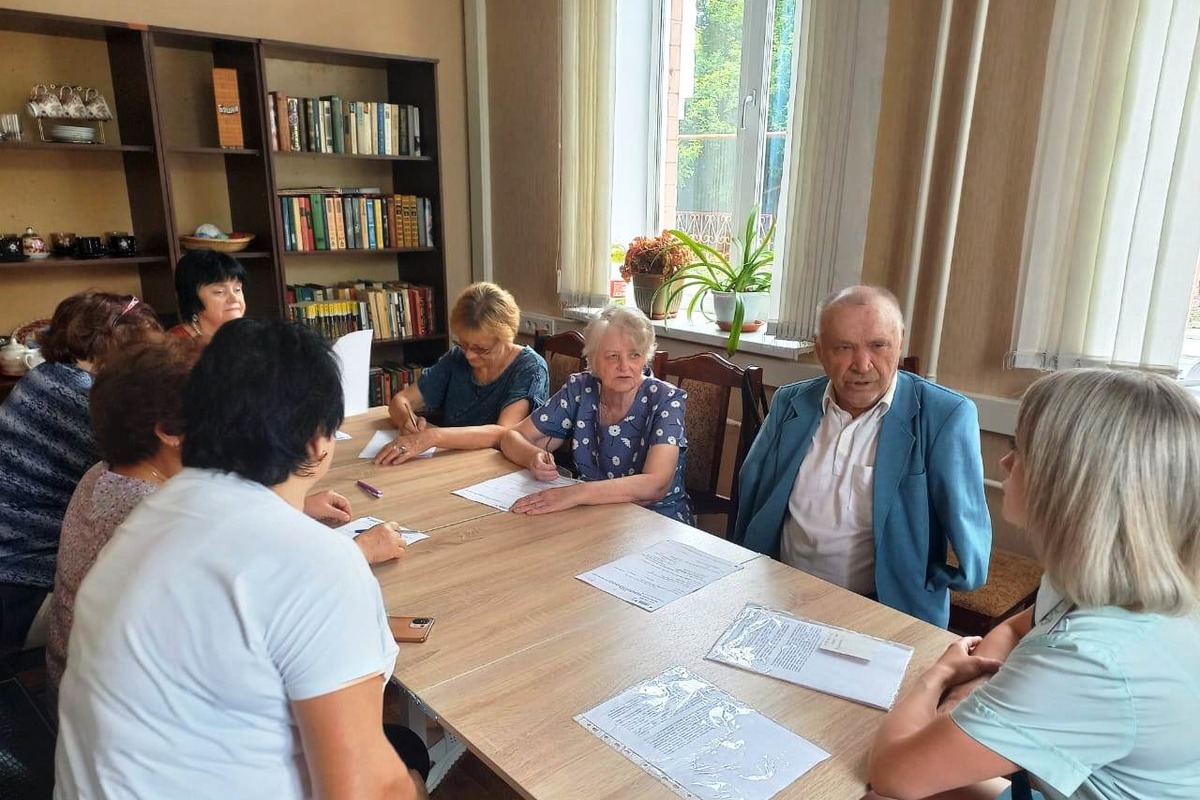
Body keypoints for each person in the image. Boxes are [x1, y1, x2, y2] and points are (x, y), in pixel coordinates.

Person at [55, 319, 428, 799]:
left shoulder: (147, 516)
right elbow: (367, 791)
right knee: (406, 773)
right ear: (319, 443)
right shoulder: (316, 563)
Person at [868, 369, 1200, 800]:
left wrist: (939, 676)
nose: (1005, 463)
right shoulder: (1109, 580)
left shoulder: (1093, 659)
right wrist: (962, 710)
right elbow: (1014, 629)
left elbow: (892, 772)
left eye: (1020, 449)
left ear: (1073, 484)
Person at [733, 286, 990, 627]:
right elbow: (753, 487)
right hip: (783, 594)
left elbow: (969, 535)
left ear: (900, 342)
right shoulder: (790, 401)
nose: (862, 364)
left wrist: (925, 584)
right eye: (844, 347)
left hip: (881, 609)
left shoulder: (945, 415)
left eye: (878, 345)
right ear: (820, 350)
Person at [0, 291, 159, 660]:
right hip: (22, 587)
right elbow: (155, 476)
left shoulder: (44, 377)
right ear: (113, 346)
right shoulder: (83, 399)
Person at [499, 305, 692, 522]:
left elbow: (655, 485)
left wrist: (574, 494)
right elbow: (511, 437)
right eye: (612, 356)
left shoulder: (666, 399)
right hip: (594, 514)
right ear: (593, 359)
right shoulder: (581, 389)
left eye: (635, 355)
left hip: (656, 521)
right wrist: (532, 457)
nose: (624, 366)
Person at [375, 282, 548, 465]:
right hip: (451, 462)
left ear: (506, 339)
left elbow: (504, 433)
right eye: (463, 344)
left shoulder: (530, 368)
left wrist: (433, 436)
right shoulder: (456, 358)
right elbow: (400, 401)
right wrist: (406, 422)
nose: (469, 355)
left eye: (481, 349)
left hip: (499, 467)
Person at [167, 248, 247, 339]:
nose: (234, 298)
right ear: (192, 299)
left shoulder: (252, 335)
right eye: (219, 291)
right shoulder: (174, 342)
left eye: (237, 289)